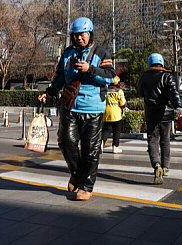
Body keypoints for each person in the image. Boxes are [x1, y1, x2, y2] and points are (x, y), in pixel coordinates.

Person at [38, 17, 115, 201]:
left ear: (90, 34)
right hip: (70, 105)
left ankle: (86, 186)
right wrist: (48, 92)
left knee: (91, 149)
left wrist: (90, 69)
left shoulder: (102, 53)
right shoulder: (67, 54)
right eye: (76, 35)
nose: (79, 38)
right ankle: (76, 173)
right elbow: (60, 78)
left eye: (83, 34)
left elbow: (110, 76)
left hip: (93, 108)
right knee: (66, 142)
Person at [137, 53, 182, 185]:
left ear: (149, 63)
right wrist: (178, 106)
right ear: (162, 63)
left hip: (151, 114)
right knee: (165, 141)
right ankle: (165, 167)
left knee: (152, 141)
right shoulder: (168, 76)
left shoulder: (143, 77)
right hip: (166, 115)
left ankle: (156, 165)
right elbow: (174, 93)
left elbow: (139, 93)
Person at [102, 76, 127, 153]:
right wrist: (124, 106)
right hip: (116, 114)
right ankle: (115, 147)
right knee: (117, 130)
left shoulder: (105, 90)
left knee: (106, 130)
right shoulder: (119, 91)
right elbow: (123, 103)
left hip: (106, 113)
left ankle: (101, 144)